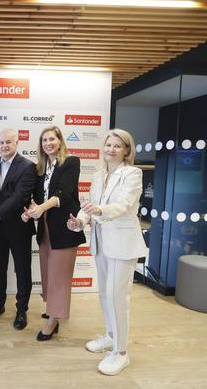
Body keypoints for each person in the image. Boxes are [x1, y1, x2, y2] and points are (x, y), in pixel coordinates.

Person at [67, 128, 147, 376]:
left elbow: (123, 205)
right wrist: (80, 222)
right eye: (108, 145)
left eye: (117, 146)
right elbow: (89, 206)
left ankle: (121, 353)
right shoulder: (99, 175)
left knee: (117, 297)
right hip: (101, 242)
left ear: (126, 150)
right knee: (105, 294)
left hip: (123, 244)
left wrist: (99, 210)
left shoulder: (133, 174)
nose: (111, 149)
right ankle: (111, 337)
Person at [22, 125, 85, 342]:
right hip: (46, 227)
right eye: (44, 140)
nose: (48, 143)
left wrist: (41, 208)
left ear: (60, 141)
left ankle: (53, 320)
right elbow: (37, 197)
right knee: (48, 271)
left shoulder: (71, 162)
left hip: (64, 228)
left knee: (60, 275)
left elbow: (64, 194)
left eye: (52, 139)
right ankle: (52, 308)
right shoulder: (41, 168)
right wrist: (31, 210)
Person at [0, 128, 37, 330]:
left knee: (23, 270)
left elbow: (19, 197)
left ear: (17, 143)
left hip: (18, 226)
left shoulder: (28, 166)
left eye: (8, 142)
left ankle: (22, 310)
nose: (4, 146)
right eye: (1, 142)